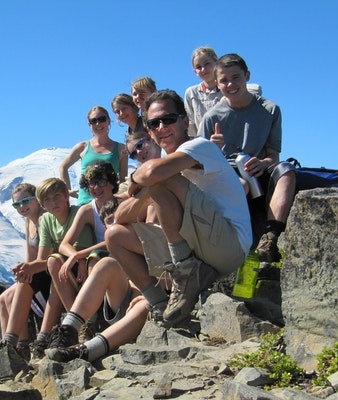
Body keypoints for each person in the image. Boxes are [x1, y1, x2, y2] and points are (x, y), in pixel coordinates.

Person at [106, 89, 252, 328]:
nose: (161, 127)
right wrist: (145, 189)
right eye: (154, 123)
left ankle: (185, 273)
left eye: (168, 119)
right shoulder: (164, 163)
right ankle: (160, 305)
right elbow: (119, 218)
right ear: (149, 131)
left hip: (229, 247)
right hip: (198, 246)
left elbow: (154, 173)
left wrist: (137, 180)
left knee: (161, 178)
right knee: (114, 236)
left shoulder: (200, 146)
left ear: (185, 121)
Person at [199, 53, 296, 263]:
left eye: (236, 77)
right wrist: (213, 149)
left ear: (247, 76)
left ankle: (270, 238)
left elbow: (273, 155)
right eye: (224, 80)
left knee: (287, 170)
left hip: (258, 167)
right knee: (239, 184)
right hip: (228, 171)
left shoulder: (270, 110)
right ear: (217, 83)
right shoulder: (211, 117)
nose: (230, 84)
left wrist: (262, 163)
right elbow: (199, 164)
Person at [45, 198, 150, 363]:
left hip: (146, 303)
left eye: (121, 217)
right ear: (104, 227)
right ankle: (67, 331)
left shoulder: (146, 237)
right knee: (106, 264)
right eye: (110, 221)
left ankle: (85, 351)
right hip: (124, 300)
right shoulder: (113, 246)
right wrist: (79, 255)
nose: (116, 223)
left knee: (143, 306)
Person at [3, 177, 95, 359]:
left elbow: (81, 249)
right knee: (28, 277)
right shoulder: (46, 220)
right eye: (47, 200)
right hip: (60, 269)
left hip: (80, 269)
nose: (53, 203)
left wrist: (79, 260)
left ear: (66, 196)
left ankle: (66, 329)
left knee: (53, 266)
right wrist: (27, 268)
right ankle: (9, 344)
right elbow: (41, 258)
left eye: (57, 197)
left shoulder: (77, 214)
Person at [47, 160, 119, 317]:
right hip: (96, 257)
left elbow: (117, 239)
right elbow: (64, 244)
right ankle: (79, 321)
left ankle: (92, 316)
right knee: (54, 261)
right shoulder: (87, 210)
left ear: (112, 183)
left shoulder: (122, 203)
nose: (96, 188)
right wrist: (77, 257)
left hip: (117, 256)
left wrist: (82, 254)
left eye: (101, 181)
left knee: (94, 259)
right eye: (92, 183)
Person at [0, 183, 45, 353]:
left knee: (13, 296)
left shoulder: (44, 218)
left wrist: (28, 271)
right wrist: (24, 271)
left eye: (25, 201)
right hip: (36, 270)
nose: (22, 207)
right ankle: (9, 349)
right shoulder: (28, 221)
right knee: (2, 298)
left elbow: (43, 257)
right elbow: (30, 256)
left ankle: (20, 346)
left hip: (46, 272)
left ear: (37, 199)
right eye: (17, 204)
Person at [184, 46, 262, 137]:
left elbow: (256, 89)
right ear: (195, 71)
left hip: (230, 138)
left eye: (207, 64)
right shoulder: (191, 93)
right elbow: (190, 125)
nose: (203, 69)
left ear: (216, 63)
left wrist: (224, 99)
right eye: (198, 67)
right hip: (203, 140)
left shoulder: (228, 88)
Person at [60, 106, 128, 206]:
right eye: (93, 121)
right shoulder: (82, 147)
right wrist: (66, 191)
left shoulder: (121, 149)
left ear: (109, 121)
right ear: (89, 124)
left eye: (102, 119)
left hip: (108, 205)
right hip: (84, 203)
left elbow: (123, 180)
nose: (98, 123)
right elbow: (63, 167)